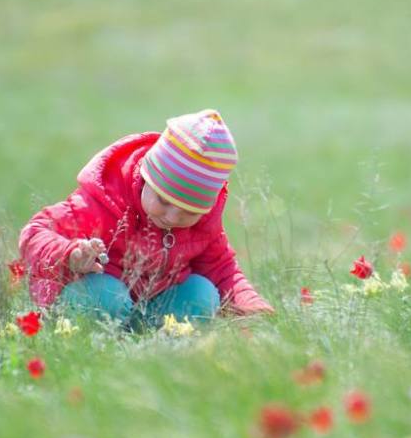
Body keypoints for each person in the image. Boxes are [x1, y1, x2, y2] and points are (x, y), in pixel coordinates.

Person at [18, 109, 274, 328]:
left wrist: (251, 305)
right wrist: (69, 254)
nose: (172, 216)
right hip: (96, 298)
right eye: (163, 200)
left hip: (151, 303)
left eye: (189, 212)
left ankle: (151, 339)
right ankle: (92, 336)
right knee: (109, 296)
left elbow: (222, 268)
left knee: (203, 294)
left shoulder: (203, 223)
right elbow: (34, 232)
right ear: (145, 177)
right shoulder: (104, 201)